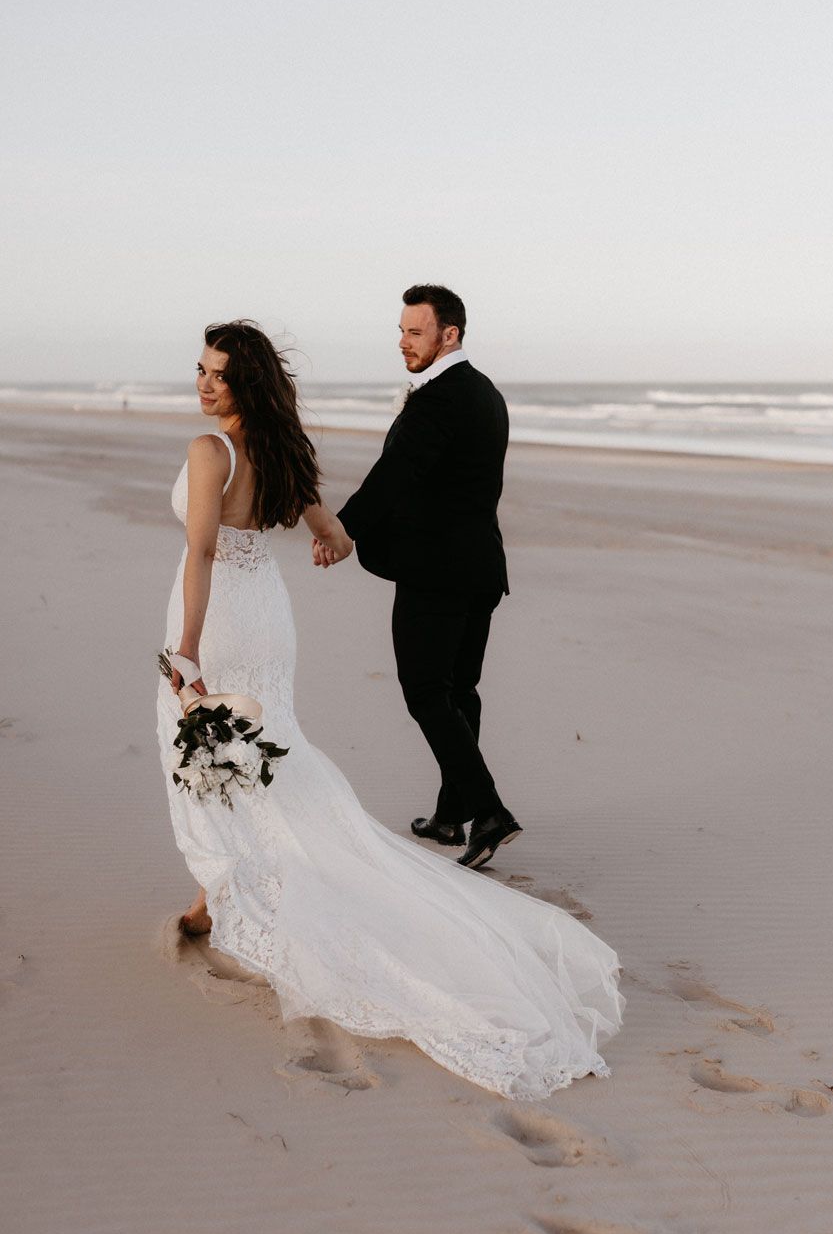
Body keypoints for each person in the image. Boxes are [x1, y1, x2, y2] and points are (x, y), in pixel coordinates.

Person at [156, 319, 623, 1099]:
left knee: (209, 755)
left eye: (218, 377)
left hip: (221, 617)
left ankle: (216, 895)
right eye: (199, 370)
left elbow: (201, 551)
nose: (203, 385)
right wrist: (336, 542)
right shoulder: (278, 448)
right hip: (267, 612)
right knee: (259, 753)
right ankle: (210, 898)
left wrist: (189, 650)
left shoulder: (212, 452)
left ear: (245, 388)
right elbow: (326, 528)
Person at [321, 285, 518, 870]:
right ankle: (451, 815)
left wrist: (341, 529)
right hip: (481, 567)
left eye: (414, 331)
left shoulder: (439, 398)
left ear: (448, 335)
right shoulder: (486, 393)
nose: (402, 342)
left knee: (426, 691)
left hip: (438, 573)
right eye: (401, 330)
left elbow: (395, 474)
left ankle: (488, 812)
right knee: (459, 691)